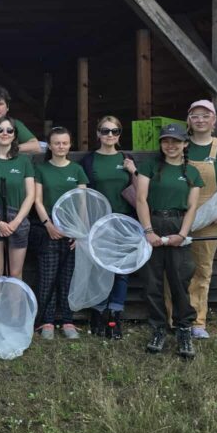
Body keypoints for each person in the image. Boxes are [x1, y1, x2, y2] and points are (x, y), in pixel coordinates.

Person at [136, 123, 203, 359]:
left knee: (179, 279)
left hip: (177, 224)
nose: (171, 145)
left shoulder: (192, 172)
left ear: (185, 144)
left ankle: (184, 329)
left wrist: (182, 234)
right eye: (166, 141)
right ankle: (158, 328)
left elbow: (193, 206)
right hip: (153, 223)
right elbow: (141, 199)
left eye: (176, 141)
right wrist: (148, 231)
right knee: (152, 281)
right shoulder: (150, 167)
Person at [175, 100, 217, 339]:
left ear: (214, 120)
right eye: (195, 116)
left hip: (209, 220)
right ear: (189, 121)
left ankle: (197, 321)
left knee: (202, 269)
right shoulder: (180, 146)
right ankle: (174, 318)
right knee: (174, 268)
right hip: (178, 217)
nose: (200, 120)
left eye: (205, 116)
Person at [79, 115, 138, 339]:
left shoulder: (127, 159)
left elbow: (141, 192)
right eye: (105, 131)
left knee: (121, 270)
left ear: (119, 135)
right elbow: (84, 194)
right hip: (98, 223)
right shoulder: (89, 160)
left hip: (123, 222)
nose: (110, 135)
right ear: (97, 134)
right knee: (99, 268)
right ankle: (99, 312)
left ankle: (115, 315)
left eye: (115, 131)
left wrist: (133, 171)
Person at [33, 127, 88, 340]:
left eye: (64, 143)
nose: (61, 147)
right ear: (50, 145)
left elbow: (82, 203)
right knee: (47, 277)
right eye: (56, 143)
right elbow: (37, 200)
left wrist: (79, 231)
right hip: (48, 230)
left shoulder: (77, 170)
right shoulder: (41, 169)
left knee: (67, 278)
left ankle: (67, 320)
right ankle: (46, 321)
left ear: (70, 144)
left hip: (71, 231)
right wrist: (47, 224)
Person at [0, 116, 35, 280]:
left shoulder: (24, 161)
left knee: (15, 272)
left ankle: (15, 306)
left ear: (14, 135)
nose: (5, 133)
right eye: (0, 130)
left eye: (9, 130)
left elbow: (30, 195)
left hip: (18, 218)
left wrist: (16, 221)